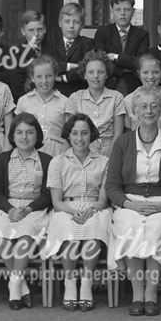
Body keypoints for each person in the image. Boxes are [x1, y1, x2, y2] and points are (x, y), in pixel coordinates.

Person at [106, 86, 161, 316]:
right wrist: (129, 204)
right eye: (143, 106)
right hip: (131, 201)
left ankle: (151, 293)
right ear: (134, 111)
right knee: (131, 226)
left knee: (156, 227)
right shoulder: (123, 143)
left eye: (154, 106)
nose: (148, 111)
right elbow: (111, 186)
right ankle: (136, 293)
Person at [44, 114, 112, 311]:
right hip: (66, 207)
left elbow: (103, 200)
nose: (80, 138)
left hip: (95, 208)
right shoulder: (58, 162)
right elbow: (56, 202)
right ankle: (70, 284)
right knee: (68, 230)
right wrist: (73, 211)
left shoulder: (103, 161)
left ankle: (87, 284)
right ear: (68, 135)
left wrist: (90, 210)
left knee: (93, 229)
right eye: (75, 133)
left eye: (84, 133)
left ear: (91, 135)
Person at [0, 112, 52, 310]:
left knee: (25, 235)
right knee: (0, 235)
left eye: (30, 132)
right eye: (20, 132)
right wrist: (10, 209)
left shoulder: (47, 160)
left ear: (37, 135)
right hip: (9, 207)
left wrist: (29, 208)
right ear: (12, 136)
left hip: (35, 208)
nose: (24, 137)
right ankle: (21, 285)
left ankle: (14, 284)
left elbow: (49, 194)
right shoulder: (3, 159)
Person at [64, 49, 126, 157]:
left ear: (107, 74)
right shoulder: (75, 98)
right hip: (81, 152)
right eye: (91, 72)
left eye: (101, 72)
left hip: (110, 152)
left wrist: (108, 159)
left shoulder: (117, 97)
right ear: (84, 75)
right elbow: (70, 133)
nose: (96, 76)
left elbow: (118, 133)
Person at [91, 0, 150, 94]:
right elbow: (101, 61)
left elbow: (140, 62)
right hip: (107, 86)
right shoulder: (102, 32)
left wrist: (115, 57)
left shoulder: (142, 35)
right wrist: (127, 69)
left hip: (134, 87)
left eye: (127, 9)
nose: (122, 13)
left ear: (133, 11)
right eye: (118, 9)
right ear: (111, 11)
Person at [15, 54, 68, 156]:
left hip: (57, 155)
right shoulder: (23, 101)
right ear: (32, 77)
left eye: (48, 76)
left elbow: (69, 134)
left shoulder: (65, 102)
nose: (44, 81)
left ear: (55, 75)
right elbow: (18, 132)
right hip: (30, 153)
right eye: (39, 76)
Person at [123, 53, 161, 134]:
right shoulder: (128, 100)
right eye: (145, 72)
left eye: (155, 72)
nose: (150, 76)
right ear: (139, 73)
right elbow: (128, 132)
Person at [48, 2, 94, 96]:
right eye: (67, 21)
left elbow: (88, 68)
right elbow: (48, 67)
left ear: (82, 26)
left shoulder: (88, 43)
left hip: (79, 95)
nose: (71, 26)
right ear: (60, 23)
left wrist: (63, 78)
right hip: (53, 94)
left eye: (76, 22)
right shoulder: (50, 43)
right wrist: (70, 66)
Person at [5, 9, 50, 100]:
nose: (36, 34)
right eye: (31, 30)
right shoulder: (16, 54)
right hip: (26, 102)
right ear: (23, 31)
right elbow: (17, 87)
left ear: (45, 29)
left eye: (39, 29)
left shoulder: (53, 50)